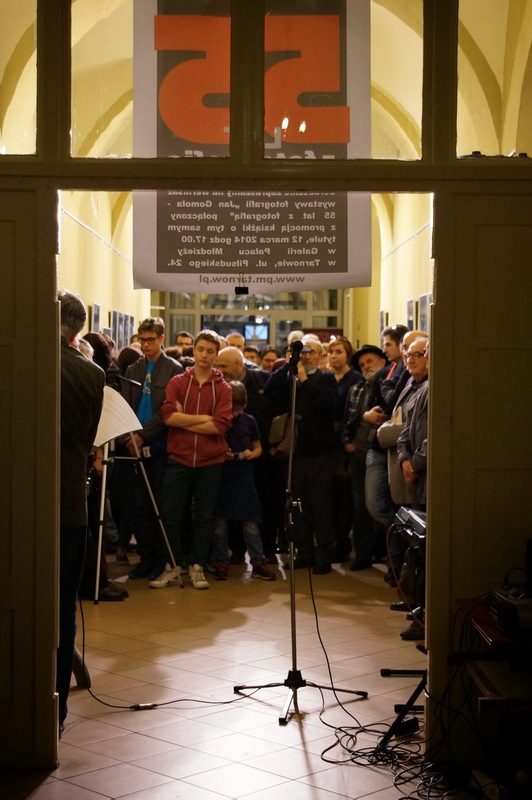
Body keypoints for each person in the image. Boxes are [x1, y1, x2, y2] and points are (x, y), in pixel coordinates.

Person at [151, 330, 233, 589]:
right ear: (194, 351)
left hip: (210, 461)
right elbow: (168, 417)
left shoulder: (223, 388)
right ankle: (173, 565)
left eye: (210, 351)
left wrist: (185, 419)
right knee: (170, 514)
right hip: (180, 457)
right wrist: (204, 418)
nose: (204, 355)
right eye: (200, 349)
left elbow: (220, 425)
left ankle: (197, 566)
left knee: (204, 517)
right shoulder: (177, 382)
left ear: (216, 354)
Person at [58, 290, 104, 732]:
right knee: (62, 605)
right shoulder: (91, 374)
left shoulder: (26, 361)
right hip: (70, 501)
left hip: (22, 504)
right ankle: (53, 713)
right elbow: (88, 439)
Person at [266, 337, 338, 573]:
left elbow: (327, 405)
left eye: (311, 351)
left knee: (321, 506)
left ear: (320, 355)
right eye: (302, 352)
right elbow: (270, 390)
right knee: (298, 506)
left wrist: (305, 381)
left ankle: (324, 556)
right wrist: (288, 365)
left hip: (319, 454)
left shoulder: (327, 379)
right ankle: (303, 553)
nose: (306, 356)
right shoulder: (290, 378)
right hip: (295, 454)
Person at [120, 317, 183, 579]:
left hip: (160, 446)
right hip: (135, 446)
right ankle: (146, 559)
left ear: (161, 339)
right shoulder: (134, 369)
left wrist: (143, 436)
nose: (145, 345)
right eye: (142, 340)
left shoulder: (174, 369)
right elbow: (126, 404)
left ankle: (162, 559)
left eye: (150, 340)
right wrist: (131, 435)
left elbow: (168, 411)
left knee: (161, 507)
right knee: (140, 508)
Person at [212, 381, 276, 581]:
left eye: (238, 408)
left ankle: (258, 563)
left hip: (243, 477)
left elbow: (258, 448)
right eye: (231, 407)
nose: (234, 412)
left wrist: (250, 453)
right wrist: (222, 453)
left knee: (250, 524)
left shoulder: (249, 421)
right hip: (221, 476)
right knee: (219, 525)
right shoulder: (216, 421)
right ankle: (220, 561)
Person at [340, 344, 388, 571]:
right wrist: (347, 443)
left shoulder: (390, 386)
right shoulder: (356, 389)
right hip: (358, 453)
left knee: (379, 504)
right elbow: (347, 420)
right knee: (359, 506)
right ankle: (363, 555)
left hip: (381, 452)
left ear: (382, 362)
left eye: (370, 361)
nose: (366, 366)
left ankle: (384, 551)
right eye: (362, 364)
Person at [327, 336, 361, 562]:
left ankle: (343, 544)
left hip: (345, 442)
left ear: (347, 355)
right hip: (327, 442)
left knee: (343, 497)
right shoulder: (327, 378)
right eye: (331, 352)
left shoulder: (354, 379)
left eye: (338, 352)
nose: (333, 356)